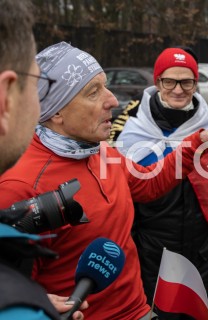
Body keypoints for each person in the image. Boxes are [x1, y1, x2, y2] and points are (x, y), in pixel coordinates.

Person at [0, 41, 208, 320]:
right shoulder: (18, 186)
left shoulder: (101, 151)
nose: (113, 100)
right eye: (94, 92)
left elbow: (148, 184)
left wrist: (195, 143)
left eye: (106, 86)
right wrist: (27, 304)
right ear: (56, 111)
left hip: (140, 311)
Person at [109, 47, 208, 320]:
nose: (178, 89)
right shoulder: (131, 130)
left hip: (199, 250)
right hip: (150, 253)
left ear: (195, 83)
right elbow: (123, 198)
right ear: (157, 83)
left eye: (186, 81)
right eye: (170, 81)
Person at [0, 2, 86, 320]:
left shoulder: (107, 153)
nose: (40, 110)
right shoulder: (18, 185)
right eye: (37, 86)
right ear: (5, 99)